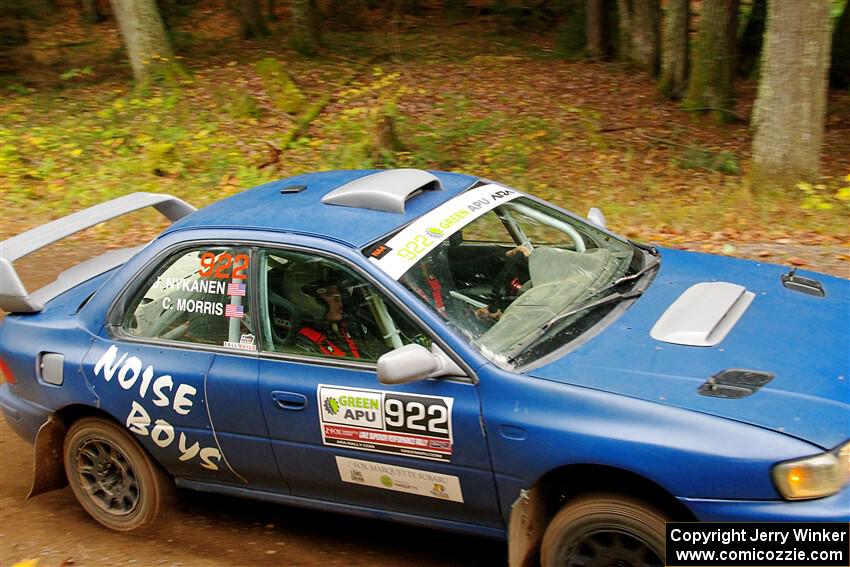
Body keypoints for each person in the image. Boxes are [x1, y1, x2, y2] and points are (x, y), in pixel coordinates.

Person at [293, 278, 375, 360]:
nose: (338, 298)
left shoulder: (349, 324)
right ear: (310, 302)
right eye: (329, 293)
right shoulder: (302, 344)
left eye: (338, 292)